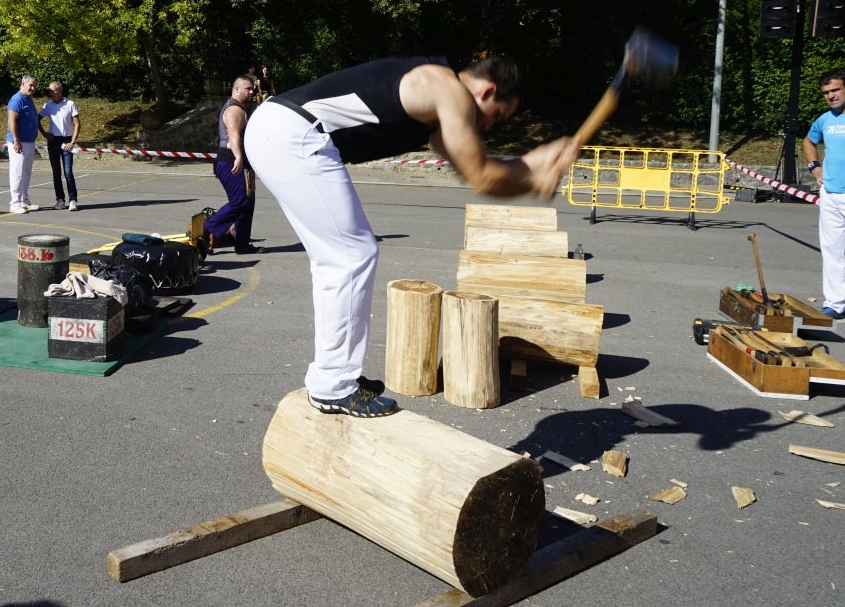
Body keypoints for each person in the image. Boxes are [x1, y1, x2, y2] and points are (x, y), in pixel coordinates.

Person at [245, 56, 578, 418]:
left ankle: (335, 379)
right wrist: (532, 174)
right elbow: (483, 176)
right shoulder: (448, 90)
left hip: (279, 129)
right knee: (350, 256)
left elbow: (478, 172)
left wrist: (537, 164)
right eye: (495, 115)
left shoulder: (437, 100)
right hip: (293, 133)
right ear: (488, 90)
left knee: (339, 256)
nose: (488, 126)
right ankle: (333, 385)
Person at [802, 68, 845, 321]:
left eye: (835, 90)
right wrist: (815, 167)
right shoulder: (824, 120)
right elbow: (808, 141)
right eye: (826, 92)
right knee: (833, 252)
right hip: (830, 195)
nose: (831, 96)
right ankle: (834, 305)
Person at [203, 74, 261, 254]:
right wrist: (238, 157)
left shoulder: (244, 108)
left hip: (242, 162)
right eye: (248, 89)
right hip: (230, 161)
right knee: (240, 201)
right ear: (236, 89)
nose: (252, 92)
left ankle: (242, 244)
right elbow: (233, 135)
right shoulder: (234, 110)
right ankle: (205, 231)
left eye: (253, 89)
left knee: (248, 201)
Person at [39, 81, 81, 210]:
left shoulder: (70, 104)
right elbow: (36, 119)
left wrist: (72, 142)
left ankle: (73, 199)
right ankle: (60, 199)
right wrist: (45, 134)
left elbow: (77, 124)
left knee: (68, 171)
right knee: (56, 172)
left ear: (60, 91)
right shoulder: (48, 105)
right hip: (53, 141)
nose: (51, 93)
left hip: (67, 140)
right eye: (49, 91)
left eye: (53, 90)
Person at [6, 74, 41, 214]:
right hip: (19, 142)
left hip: (29, 141)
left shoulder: (29, 100)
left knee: (26, 173)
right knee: (17, 173)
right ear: (23, 84)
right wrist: (16, 140)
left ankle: (24, 201)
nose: (32, 88)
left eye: (34, 86)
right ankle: (14, 203)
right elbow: (11, 120)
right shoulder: (17, 99)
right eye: (30, 85)